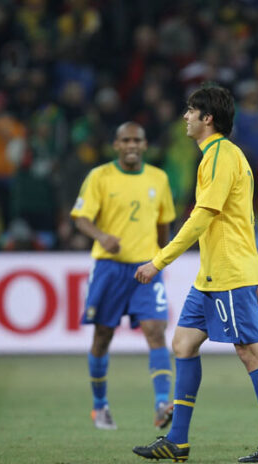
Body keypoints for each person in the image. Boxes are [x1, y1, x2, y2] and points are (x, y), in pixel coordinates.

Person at [131, 84, 258, 463]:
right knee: (183, 344)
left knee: (250, 352)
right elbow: (244, 220)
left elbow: (202, 217)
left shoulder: (221, 156)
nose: (185, 116)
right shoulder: (216, 156)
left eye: (191, 110)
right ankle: (177, 442)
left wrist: (159, 261)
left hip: (228, 273)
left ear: (208, 118)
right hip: (212, 274)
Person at [70, 122, 176, 430]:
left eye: (137, 140)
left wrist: (160, 256)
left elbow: (163, 224)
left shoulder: (159, 178)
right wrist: (102, 237)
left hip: (146, 268)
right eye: (126, 140)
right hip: (109, 268)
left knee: (156, 331)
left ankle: (160, 404)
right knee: (102, 336)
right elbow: (81, 218)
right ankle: (100, 406)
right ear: (116, 145)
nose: (131, 145)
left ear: (145, 146)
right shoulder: (100, 176)